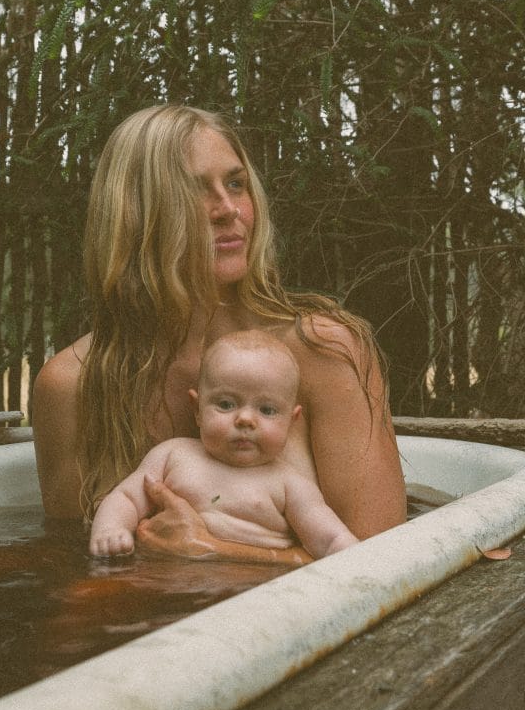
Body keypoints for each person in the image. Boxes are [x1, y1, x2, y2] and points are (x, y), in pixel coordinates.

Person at [32, 104, 406, 564]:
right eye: (194, 192)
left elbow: (384, 561)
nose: (229, 210)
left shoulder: (322, 353)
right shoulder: (71, 384)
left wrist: (217, 552)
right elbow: (70, 565)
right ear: (136, 215)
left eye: (235, 184)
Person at [89, 330, 358, 562]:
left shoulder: (290, 485)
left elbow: (332, 540)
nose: (245, 419)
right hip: (163, 584)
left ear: (291, 420)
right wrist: (111, 530)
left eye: (266, 409)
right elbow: (125, 497)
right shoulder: (172, 455)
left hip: (253, 594)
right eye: (226, 404)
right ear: (197, 409)